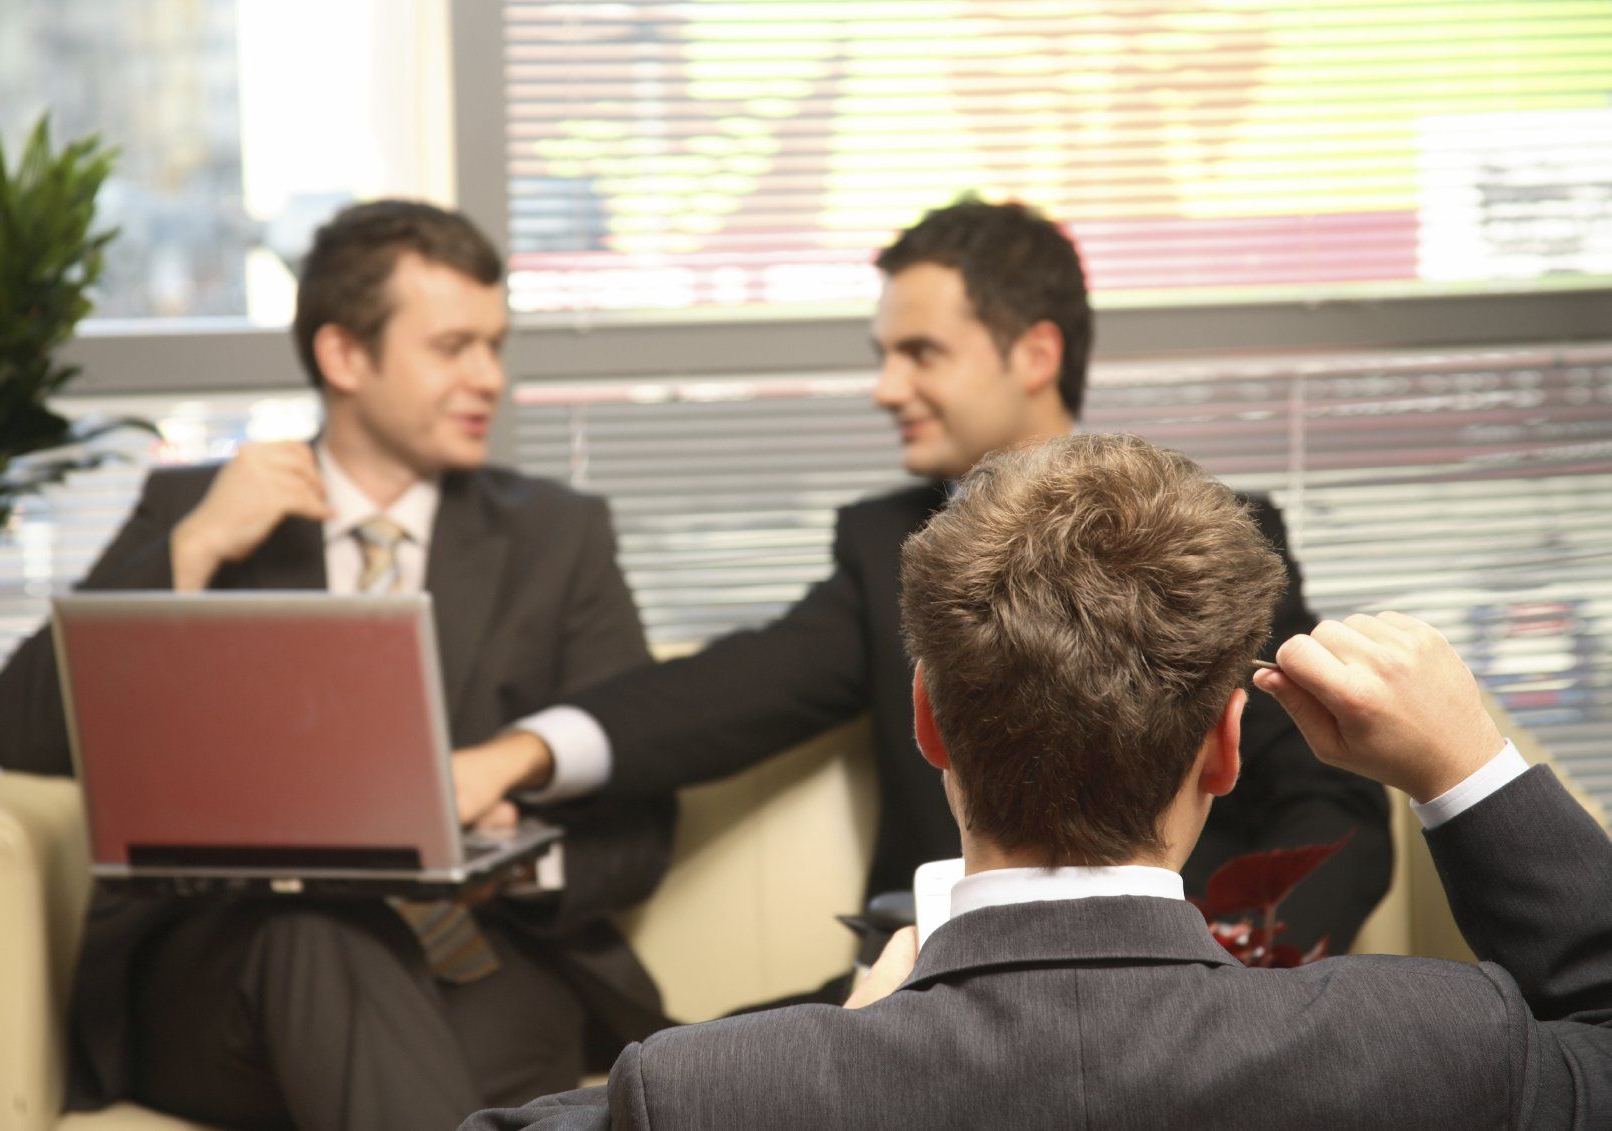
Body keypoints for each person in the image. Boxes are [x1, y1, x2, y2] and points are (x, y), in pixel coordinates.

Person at [464, 433, 1612, 1130]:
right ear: (1225, 745)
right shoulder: (1436, 1049)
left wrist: (841, 1049)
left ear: (930, 723)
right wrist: (1473, 767)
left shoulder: (707, 1095)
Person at [463, 199, 1391, 963]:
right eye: (884, 355)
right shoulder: (885, 550)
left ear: (1034, 354)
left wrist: (1243, 971)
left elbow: (1332, 805)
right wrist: (517, 755)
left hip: (1181, 985)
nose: (885, 386)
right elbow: (722, 692)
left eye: (920, 353)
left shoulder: (1217, 541)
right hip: (932, 989)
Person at [0, 200, 676, 1131]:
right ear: (346, 355)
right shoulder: (195, 510)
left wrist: (514, 862)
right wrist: (192, 549)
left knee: (427, 1040)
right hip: (227, 971)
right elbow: (17, 729)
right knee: (323, 935)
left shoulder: (556, 537)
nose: (490, 378)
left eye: (495, 345)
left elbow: (640, 817)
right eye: (453, 346)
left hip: (478, 958)